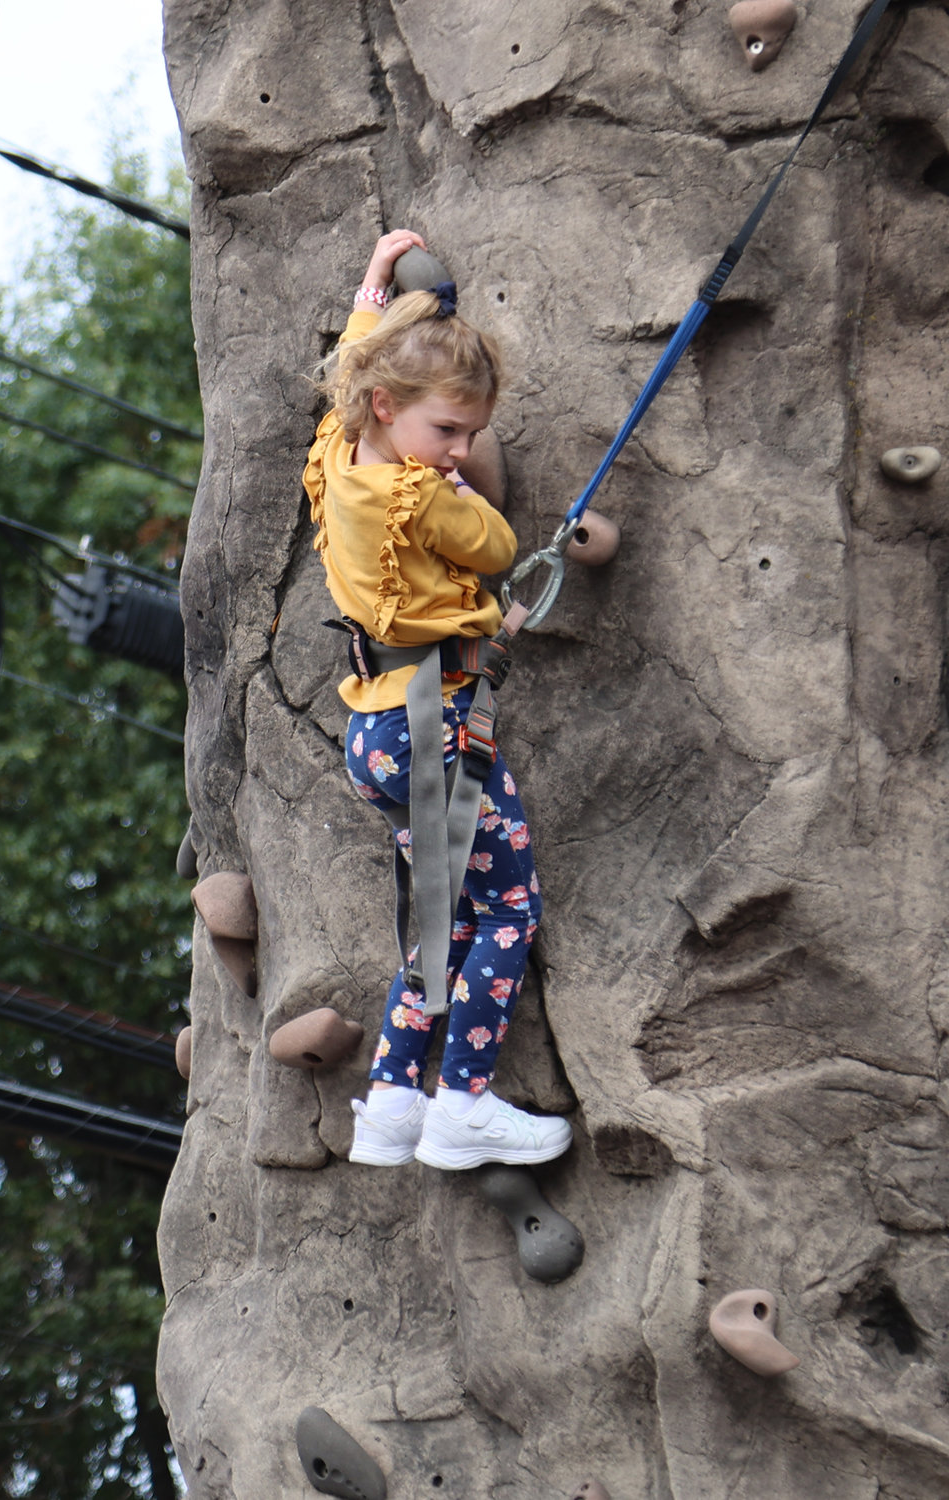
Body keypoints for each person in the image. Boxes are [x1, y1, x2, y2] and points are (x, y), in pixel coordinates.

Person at [303, 230, 572, 1171]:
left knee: (444, 919)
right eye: (449, 430)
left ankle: (388, 1106)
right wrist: (461, 482)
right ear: (390, 406)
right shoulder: (419, 496)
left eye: (467, 433)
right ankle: (459, 1101)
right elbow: (495, 546)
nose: (458, 448)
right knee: (507, 913)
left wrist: (373, 289)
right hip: (434, 726)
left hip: (380, 728)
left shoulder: (343, 455)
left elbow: (351, 369)